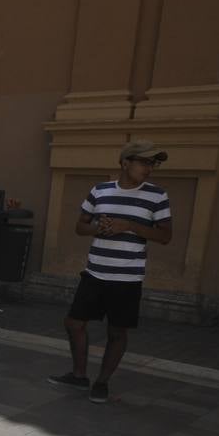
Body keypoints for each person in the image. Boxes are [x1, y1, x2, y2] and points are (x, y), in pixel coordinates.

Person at [47, 140, 173, 404]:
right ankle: (79, 375)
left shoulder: (157, 196)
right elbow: (80, 227)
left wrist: (129, 225)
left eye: (153, 163)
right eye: (144, 162)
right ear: (125, 162)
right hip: (95, 272)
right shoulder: (100, 191)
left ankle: (101, 382)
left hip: (127, 277)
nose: (149, 168)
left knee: (117, 332)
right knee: (74, 323)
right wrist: (99, 228)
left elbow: (165, 236)